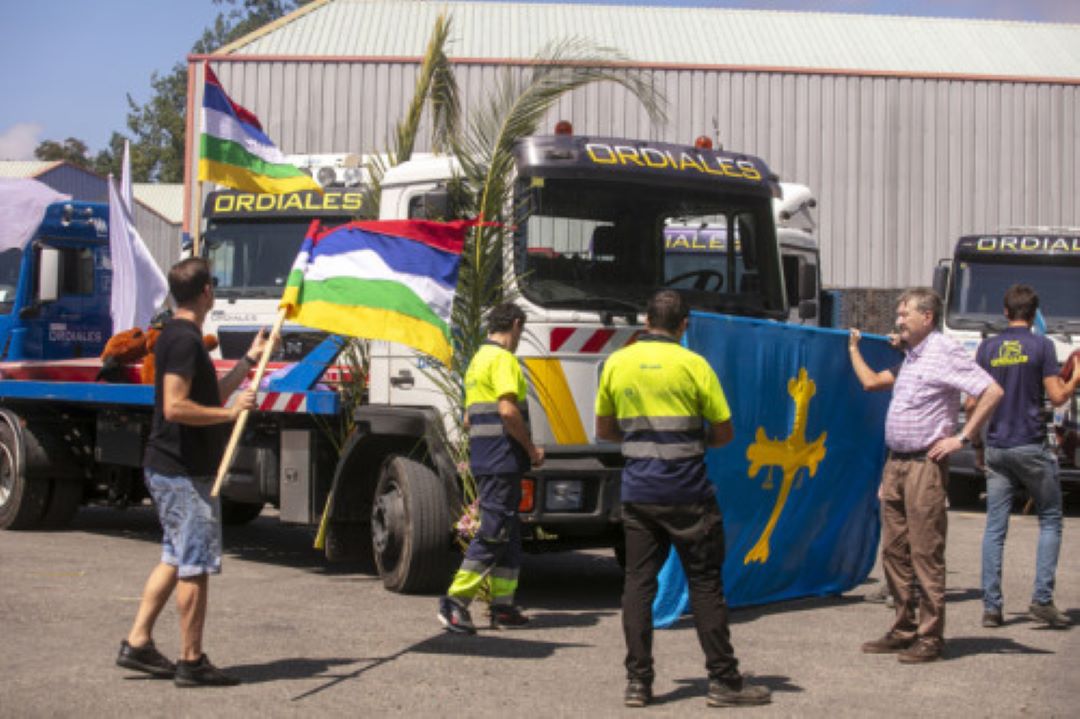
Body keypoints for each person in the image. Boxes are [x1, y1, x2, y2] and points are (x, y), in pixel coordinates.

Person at [595, 290, 771, 709]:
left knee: (638, 584)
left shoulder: (617, 362)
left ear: (646, 320)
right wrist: (692, 440)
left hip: (639, 492)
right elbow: (724, 433)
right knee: (705, 584)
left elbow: (604, 430)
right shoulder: (695, 365)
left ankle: (638, 683)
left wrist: (641, 438)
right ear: (684, 325)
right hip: (688, 493)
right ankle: (724, 681)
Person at [116, 258, 268, 687]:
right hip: (182, 472)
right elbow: (175, 406)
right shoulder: (184, 341)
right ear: (206, 291)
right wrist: (229, 414)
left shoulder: (180, 336)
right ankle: (191, 660)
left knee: (174, 557)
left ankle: (138, 642)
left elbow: (206, 395)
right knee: (194, 565)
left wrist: (247, 363)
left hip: (173, 468)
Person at [849, 288, 1002, 663]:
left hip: (924, 465)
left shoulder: (944, 350)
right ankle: (904, 627)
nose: (898, 320)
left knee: (925, 552)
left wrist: (961, 438)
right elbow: (876, 382)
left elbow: (991, 390)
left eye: (905, 314)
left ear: (927, 317)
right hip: (897, 463)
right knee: (894, 550)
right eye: (899, 314)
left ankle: (930, 637)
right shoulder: (913, 355)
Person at [975, 285, 1080, 629]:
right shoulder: (1042, 346)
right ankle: (1042, 599)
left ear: (1005, 312)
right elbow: (1058, 396)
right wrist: (1075, 377)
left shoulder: (987, 348)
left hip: (997, 445)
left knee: (995, 527)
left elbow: (972, 401)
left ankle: (992, 607)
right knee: (1050, 518)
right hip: (1030, 444)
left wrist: (977, 445)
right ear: (1034, 315)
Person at [438, 302, 544, 634]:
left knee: (508, 534)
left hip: (486, 457)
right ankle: (455, 603)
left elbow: (468, 419)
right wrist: (531, 449)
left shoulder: (477, 360)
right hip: (503, 457)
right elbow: (508, 411)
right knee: (495, 531)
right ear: (516, 325)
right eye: (521, 331)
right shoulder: (503, 359)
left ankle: (503, 607)